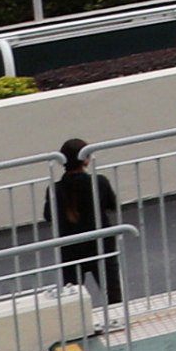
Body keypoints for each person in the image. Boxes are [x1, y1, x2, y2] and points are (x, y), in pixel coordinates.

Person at [52, 138, 122, 322]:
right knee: (111, 289)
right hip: (101, 244)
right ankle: (116, 320)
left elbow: (48, 215)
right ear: (86, 159)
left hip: (70, 248)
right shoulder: (99, 182)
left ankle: (75, 325)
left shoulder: (56, 189)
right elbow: (112, 204)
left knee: (72, 293)